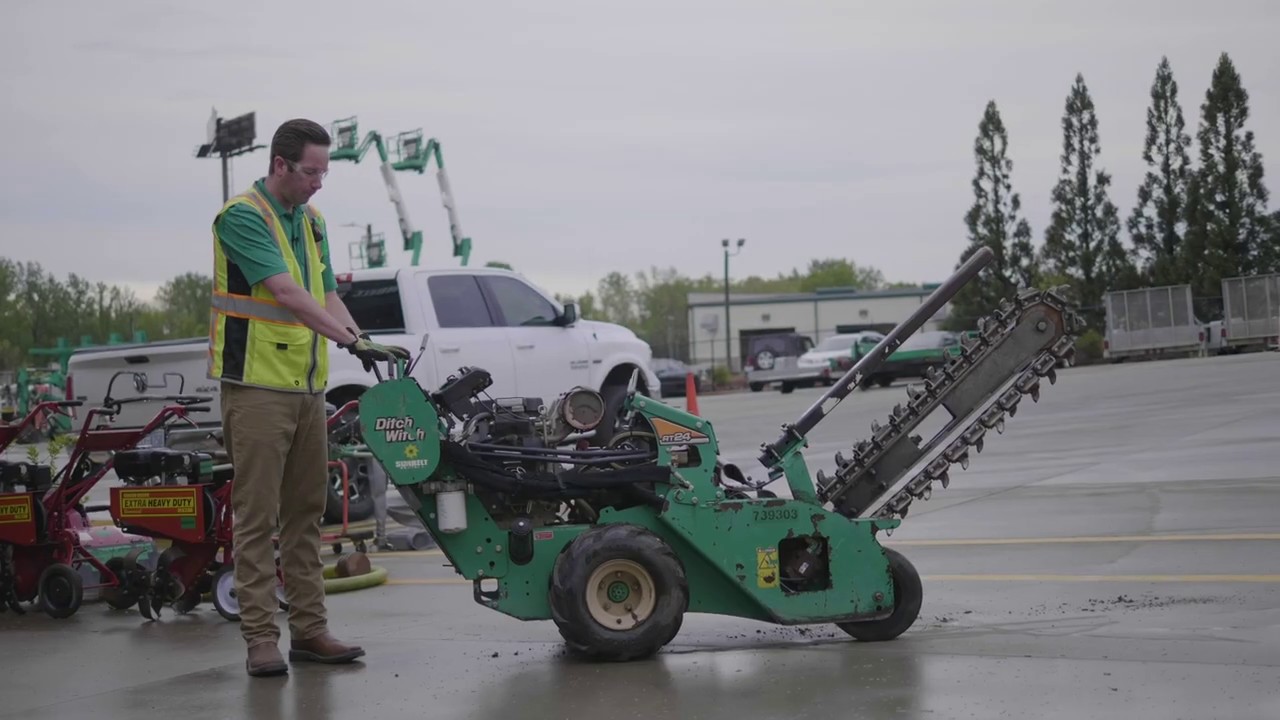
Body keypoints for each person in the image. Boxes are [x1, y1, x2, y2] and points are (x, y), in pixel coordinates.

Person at [208, 118, 407, 677]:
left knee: (304, 514)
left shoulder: (313, 222)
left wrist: (363, 341)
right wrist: (344, 337)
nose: (320, 182)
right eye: (311, 171)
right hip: (256, 387)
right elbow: (289, 294)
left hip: (306, 387)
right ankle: (259, 639)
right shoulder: (242, 217)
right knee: (256, 516)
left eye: (325, 171)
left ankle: (311, 631)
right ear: (280, 165)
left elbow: (324, 293)